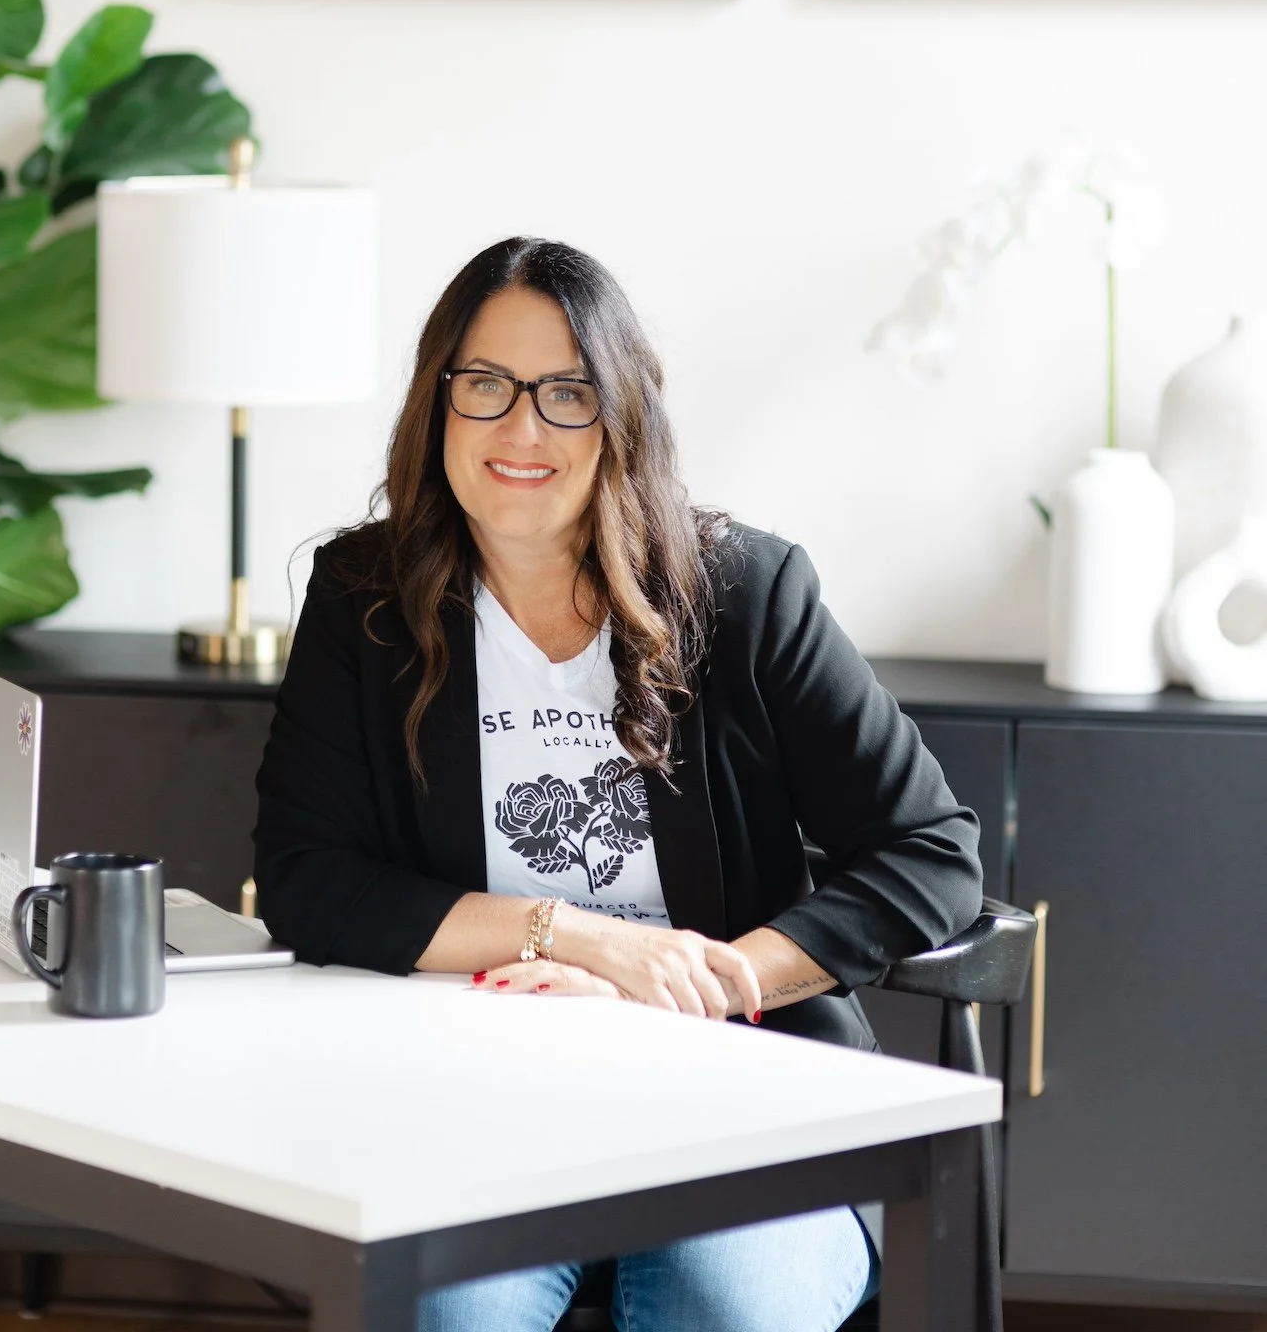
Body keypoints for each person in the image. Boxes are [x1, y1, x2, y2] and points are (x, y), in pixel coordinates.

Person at [254, 237, 983, 1332]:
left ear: (622, 416)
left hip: (740, 1092)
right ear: (437, 403)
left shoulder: (742, 593)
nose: (521, 429)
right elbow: (307, 879)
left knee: (720, 1309)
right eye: (486, 385)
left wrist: (706, 980)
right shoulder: (364, 598)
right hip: (471, 1093)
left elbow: (930, 854)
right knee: (443, 1320)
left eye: (567, 394)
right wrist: (578, 937)